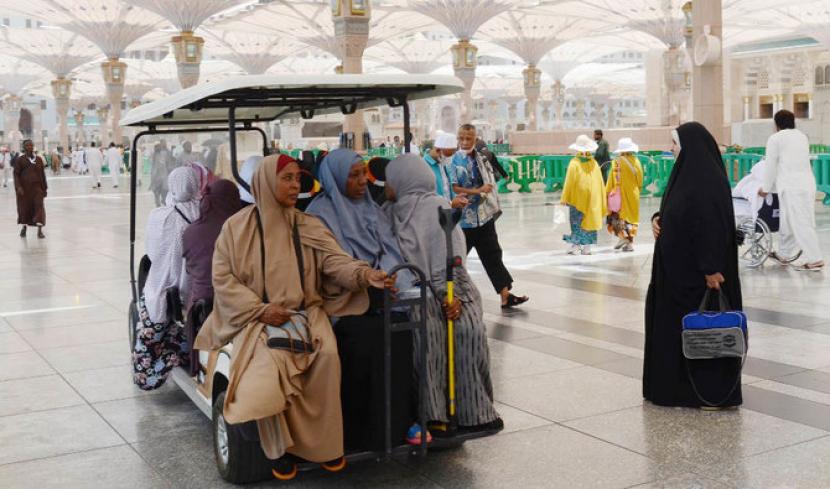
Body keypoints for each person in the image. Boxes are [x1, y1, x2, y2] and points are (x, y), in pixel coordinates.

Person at [194, 154, 393, 478]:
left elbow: (334, 261)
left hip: (307, 315)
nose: (294, 185)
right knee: (268, 369)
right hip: (256, 318)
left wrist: (362, 275)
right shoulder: (237, 229)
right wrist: (261, 309)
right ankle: (277, 449)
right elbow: (224, 279)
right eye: (286, 178)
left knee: (326, 357)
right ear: (266, 183)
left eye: (296, 179)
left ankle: (322, 447)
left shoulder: (307, 225)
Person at [305, 149, 415, 451]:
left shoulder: (372, 209)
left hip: (383, 293)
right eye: (352, 175)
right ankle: (360, 431)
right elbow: (328, 265)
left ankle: (399, 423)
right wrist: (365, 277)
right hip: (343, 301)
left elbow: (390, 249)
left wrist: (395, 280)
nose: (361, 181)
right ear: (336, 178)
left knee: (403, 332)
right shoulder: (318, 215)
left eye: (362, 173)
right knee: (366, 340)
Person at [384, 153, 503, 432]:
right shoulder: (388, 212)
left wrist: (451, 297)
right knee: (427, 330)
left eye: (389, 180)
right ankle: (434, 413)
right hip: (414, 289)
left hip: (451, 283)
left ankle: (475, 412)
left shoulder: (436, 205)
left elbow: (450, 256)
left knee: (466, 329)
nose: (385, 186)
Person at [644, 122, 743, 409]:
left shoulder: (705, 182)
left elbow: (710, 226)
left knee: (701, 333)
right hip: (678, 275)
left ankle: (704, 391)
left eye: (674, 144)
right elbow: (678, 212)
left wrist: (710, 268)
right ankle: (674, 388)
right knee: (679, 333)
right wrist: (657, 219)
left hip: (698, 277)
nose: (670, 149)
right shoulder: (688, 176)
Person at [133, 167, 201, 391]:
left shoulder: (159, 216)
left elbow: (151, 253)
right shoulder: (203, 213)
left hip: (160, 294)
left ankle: (167, 360)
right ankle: (177, 354)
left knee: (144, 364)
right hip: (189, 296)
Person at [450, 124, 528, 309]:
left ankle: (505, 295)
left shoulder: (481, 158)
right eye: (462, 138)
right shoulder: (453, 161)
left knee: (493, 255)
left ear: (475, 139)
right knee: (456, 259)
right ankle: (447, 296)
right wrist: (477, 191)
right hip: (464, 221)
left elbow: (495, 176)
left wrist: (488, 190)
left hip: (483, 217)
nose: (465, 142)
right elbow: (454, 188)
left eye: (469, 138)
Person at [758, 110, 824, 271]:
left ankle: (815, 258)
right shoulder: (801, 136)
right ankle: (785, 253)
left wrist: (765, 188)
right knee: (787, 220)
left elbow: (771, 165)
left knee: (801, 222)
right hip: (806, 184)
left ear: (776, 124)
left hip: (792, 186)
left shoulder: (775, 138)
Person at [183, 179, 241, 309]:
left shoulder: (191, 232)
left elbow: (190, 271)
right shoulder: (243, 230)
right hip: (236, 306)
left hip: (199, 307)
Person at [561, 135, 606, 255]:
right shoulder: (594, 163)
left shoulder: (574, 163)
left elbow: (569, 182)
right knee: (589, 221)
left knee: (576, 221)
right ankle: (587, 247)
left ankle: (576, 246)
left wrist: (565, 197)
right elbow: (600, 182)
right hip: (592, 199)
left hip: (577, 198)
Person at [605, 137, 644, 252]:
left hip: (619, 196)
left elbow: (611, 181)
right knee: (631, 220)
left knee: (617, 217)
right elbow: (640, 180)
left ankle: (623, 237)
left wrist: (607, 193)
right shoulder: (636, 162)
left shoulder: (616, 162)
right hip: (633, 194)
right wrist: (637, 191)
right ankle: (629, 244)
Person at [13, 140, 48, 239]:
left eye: (31, 145)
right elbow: (16, 174)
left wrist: (45, 188)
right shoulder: (20, 160)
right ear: (24, 147)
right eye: (27, 145)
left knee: (39, 207)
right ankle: (24, 227)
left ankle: (40, 231)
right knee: (25, 209)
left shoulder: (39, 160)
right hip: (25, 190)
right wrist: (18, 187)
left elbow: (42, 175)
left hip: (37, 189)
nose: (30, 147)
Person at [424, 132, 468, 210]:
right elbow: (427, 198)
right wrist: (451, 203)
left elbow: (446, 188)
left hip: (447, 212)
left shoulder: (443, 164)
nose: (450, 159)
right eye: (448, 155)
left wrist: (456, 198)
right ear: (438, 150)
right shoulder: (424, 167)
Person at [150, 141, 173, 207]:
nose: (158, 148)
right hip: (156, 178)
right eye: (156, 147)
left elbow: (167, 163)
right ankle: (158, 204)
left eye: (159, 146)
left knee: (164, 192)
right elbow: (153, 166)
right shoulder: (153, 155)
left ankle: (163, 202)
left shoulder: (164, 154)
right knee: (156, 193)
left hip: (163, 177)